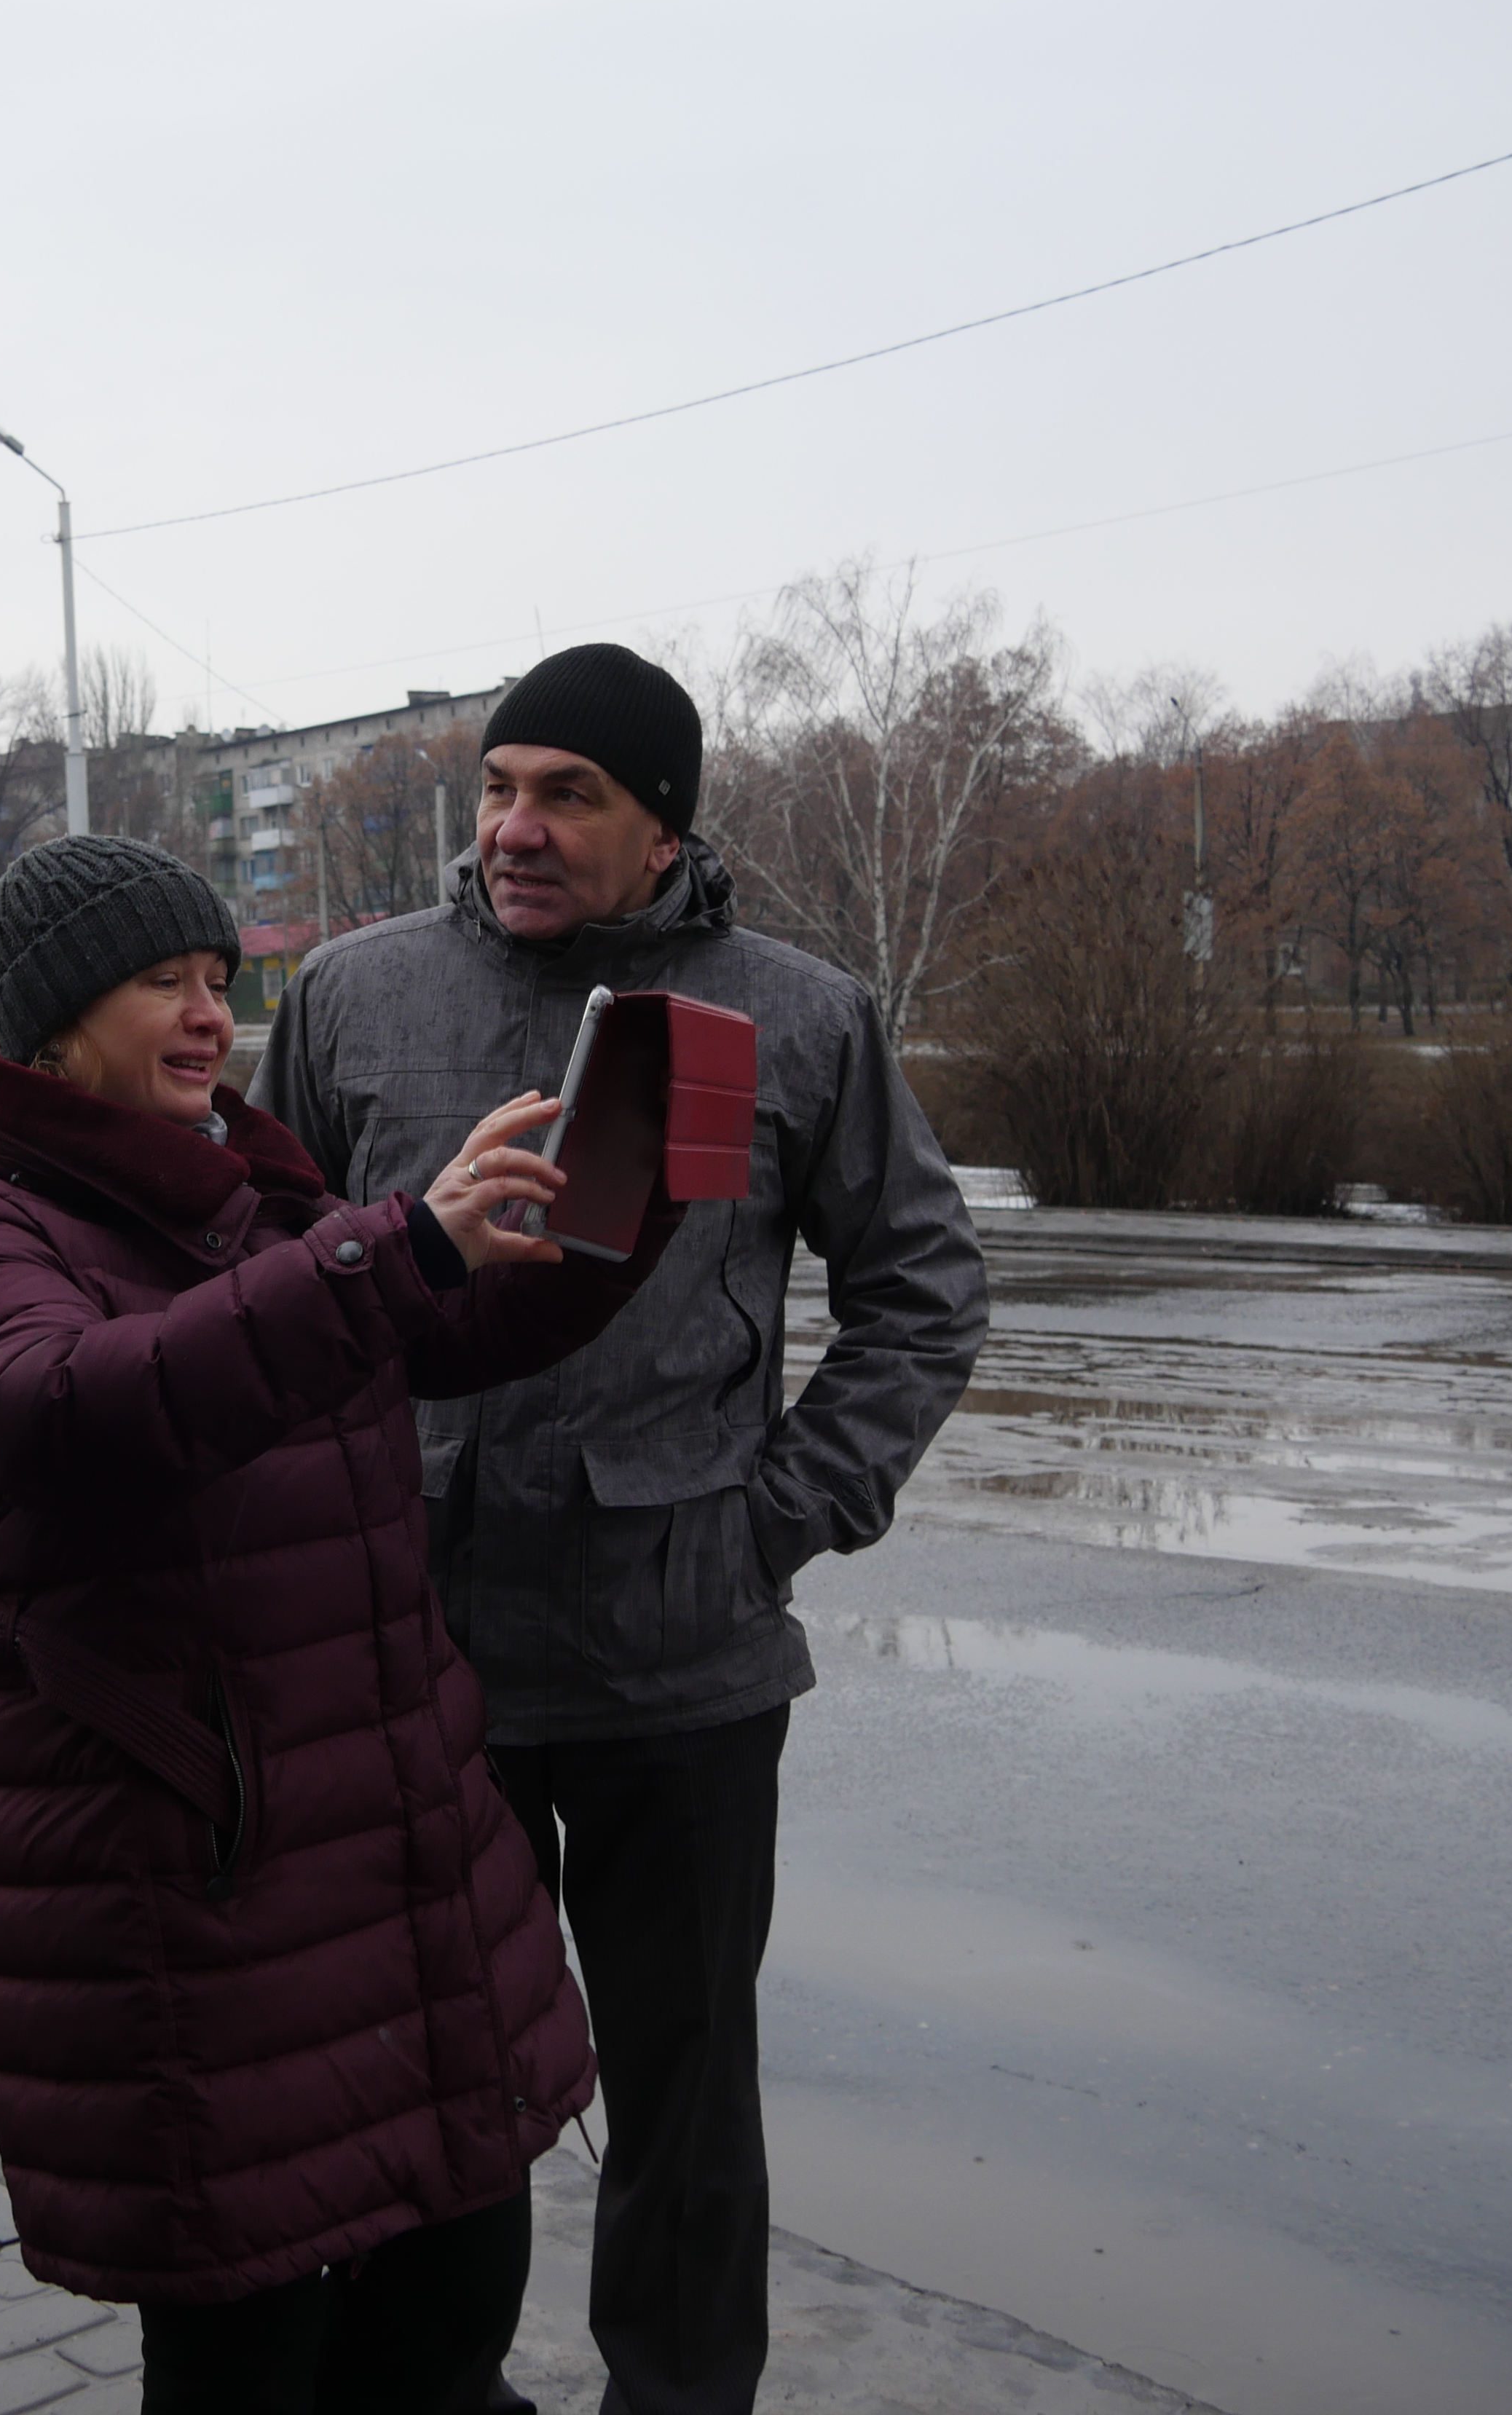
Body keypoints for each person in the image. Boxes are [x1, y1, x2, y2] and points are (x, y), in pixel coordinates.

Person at [254, 643, 990, 2415]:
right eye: (500, 788)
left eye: (568, 796)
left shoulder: (793, 1019)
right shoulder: (354, 997)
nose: (515, 828)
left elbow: (924, 1290)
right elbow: (261, 1281)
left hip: (683, 1665)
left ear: (665, 831)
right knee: (438, 2080)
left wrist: (780, 1518)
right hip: (421, 1664)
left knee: (683, 2089)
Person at [0, 835, 672, 2414]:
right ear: (52, 1022)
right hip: (196, 1900)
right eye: (160, 981)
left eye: (220, 981)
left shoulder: (249, 1194)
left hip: (397, 1874)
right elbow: (55, 1409)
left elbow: (446, 1325)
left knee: (450, 2328)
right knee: (252, 2368)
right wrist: (394, 1245)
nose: (208, 1016)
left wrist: (621, 1206)